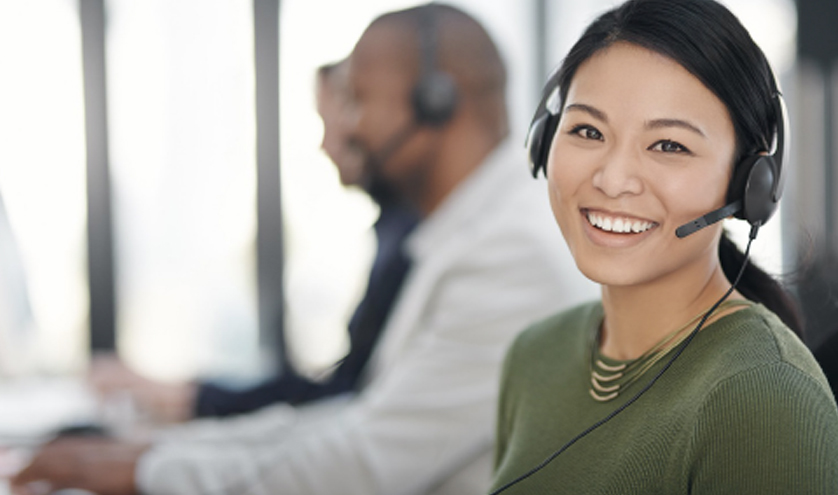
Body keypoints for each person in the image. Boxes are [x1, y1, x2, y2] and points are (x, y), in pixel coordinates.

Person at [11, 4, 596, 494]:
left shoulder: (510, 253)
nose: (349, 128)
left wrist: (142, 469)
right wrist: (155, 451)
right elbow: (355, 417)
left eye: (359, 100)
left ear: (437, 101)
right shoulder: (463, 235)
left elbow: (366, 460)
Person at [490, 0, 838, 493]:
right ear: (544, 140)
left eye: (669, 145)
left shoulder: (762, 395)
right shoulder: (534, 356)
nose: (612, 180)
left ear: (748, 184)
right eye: (588, 131)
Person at [88, 59, 420, 422]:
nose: (326, 144)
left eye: (339, 118)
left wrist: (182, 405)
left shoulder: (414, 240)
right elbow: (340, 390)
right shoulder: (395, 231)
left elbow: (341, 399)